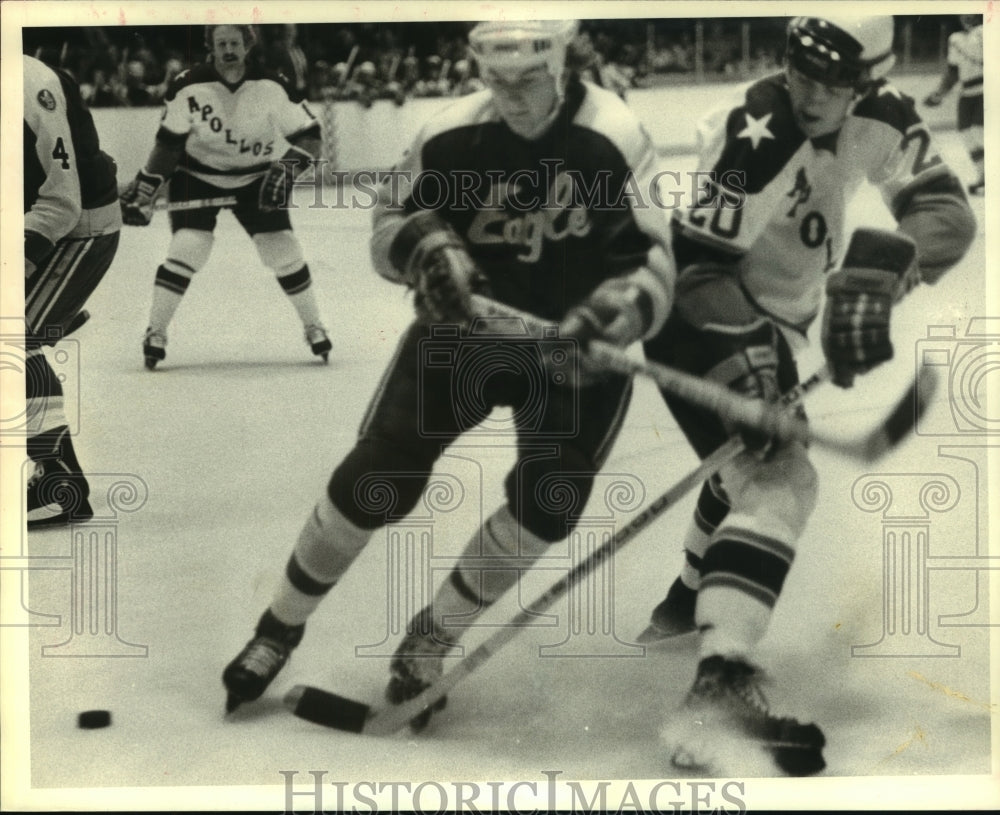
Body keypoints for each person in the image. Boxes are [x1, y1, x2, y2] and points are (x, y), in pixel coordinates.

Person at [222, 19, 676, 724]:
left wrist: (614, 315)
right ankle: (278, 625)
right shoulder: (450, 133)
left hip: (571, 350)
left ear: (564, 64)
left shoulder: (611, 136)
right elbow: (387, 220)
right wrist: (424, 247)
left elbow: (654, 259)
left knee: (549, 499)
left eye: (528, 79)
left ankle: (430, 639)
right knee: (379, 473)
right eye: (497, 80)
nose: (512, 96)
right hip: (466, 333)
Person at [639, 14, 976, 774]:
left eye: (836, 80)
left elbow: (947, 215)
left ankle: (688, 593)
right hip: (699, 315)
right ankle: (718, 683)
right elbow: (697, 273)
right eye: (802, 70)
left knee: (746, 474)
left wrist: (884, 267)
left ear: (871, 82)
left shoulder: (886, 117)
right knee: (782, 472)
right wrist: (754, 378)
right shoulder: (755, 131)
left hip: (773, 321)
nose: (812, 92)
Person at [119, 24, 331, 369]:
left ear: (248, 46)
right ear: (211, 47)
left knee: (282, 248)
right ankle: (155, 332)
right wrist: (146, 187)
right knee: (188, 246)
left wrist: (287, 169)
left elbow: (310, 136)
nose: (229, 49)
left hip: (256, 179)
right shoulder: (188, 86)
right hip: (196, 176)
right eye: (222, 43)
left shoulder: (272, 85)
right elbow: (169, 145)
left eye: (235, 42)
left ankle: (314, 325)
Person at [22, 53, 122, 527]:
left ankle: (58, 484)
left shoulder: (31, 84)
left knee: (12, 338)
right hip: (38, 222)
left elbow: (62, 204)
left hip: (81, 229)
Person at [923, 15, 984, 195]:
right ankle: (984, 174)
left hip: (987, 87)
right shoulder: (955, 39)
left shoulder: (987, 31)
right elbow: (953, 72)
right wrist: (939, 94)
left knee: (979, 132)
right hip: (967, 91)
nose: (966, 17)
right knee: (966, 134)